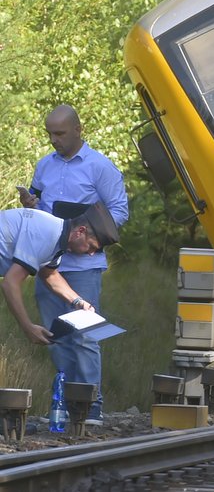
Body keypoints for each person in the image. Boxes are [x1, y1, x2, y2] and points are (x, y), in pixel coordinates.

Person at [19, 105, 128, 426]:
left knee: (84, 335)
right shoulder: (44, 166)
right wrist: (30, 204)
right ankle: (66, 402)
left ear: (78, 130)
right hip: (47, 262)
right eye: (50, 133)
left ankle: (91, 403)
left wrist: (86, 232)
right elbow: (38, 204)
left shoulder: (100, 167)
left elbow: (120, 212)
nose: (54, 140)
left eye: (60, 133)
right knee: (56, 335)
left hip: (84, 266)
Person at [1, 204, 119, 344]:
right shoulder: (47, 235)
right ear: (80, 231)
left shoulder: (57, 235)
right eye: (91, 246)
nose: (91, 253)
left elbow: (49, 275)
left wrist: (78, 301)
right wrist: (28, 328)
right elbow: (10, 283)